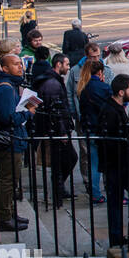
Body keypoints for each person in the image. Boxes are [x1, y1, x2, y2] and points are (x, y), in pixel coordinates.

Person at [0, 54, 36, 232]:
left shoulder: (11, 85)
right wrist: (28, 113)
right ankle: (4, 218)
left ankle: (10, 213)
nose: (20, 67)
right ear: (5, 68)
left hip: (14, 137)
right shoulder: (6, 88)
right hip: (10, 139)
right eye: (15, 64)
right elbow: (9, 118)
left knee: (13, 180)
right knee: (8, 181)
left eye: (20, 64)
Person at [31, 52, 78, 207]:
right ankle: (57, 191)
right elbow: (55, 111)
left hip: (58, 129)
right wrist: (63, 132)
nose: (68, 67)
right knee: (68, 159)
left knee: (65, 160)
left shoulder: (55, 81)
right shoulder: (53, 84)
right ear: (58, 65)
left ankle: (59, 188)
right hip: (57, 131)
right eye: (67, 64)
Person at [97, 74, 129, 247]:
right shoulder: (111, 111)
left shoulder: (114, 107)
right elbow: (113, 141)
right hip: (116, 164)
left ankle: (120, 235)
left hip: (118, 163)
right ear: (121, 92)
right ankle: (116, 237)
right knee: (115, 204)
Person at [78, 58, 110, 201]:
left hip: (88, 129)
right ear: (100, 72)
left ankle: (95, 194)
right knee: (108, 164)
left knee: (93, 164)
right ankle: (110, 192)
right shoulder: (103, 88)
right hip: (102, 130)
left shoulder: (83, 88)